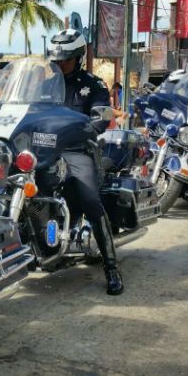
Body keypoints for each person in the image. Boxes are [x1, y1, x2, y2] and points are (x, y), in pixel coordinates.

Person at [47, 28, 123, 295]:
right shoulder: (44, 85)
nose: (59, 65)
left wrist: (93, 125)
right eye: (55, 60)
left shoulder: (93, 85)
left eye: (64, 60)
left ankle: (111, 267)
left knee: (91, 201)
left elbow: (102, 117)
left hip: (77, 151)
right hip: (44, 152)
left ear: (77, 57)